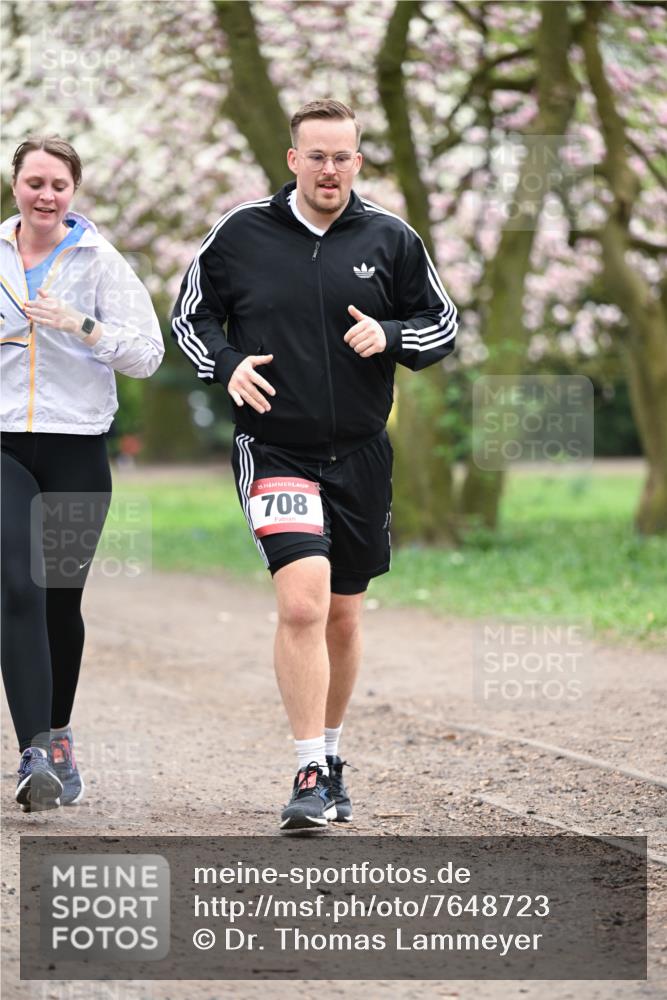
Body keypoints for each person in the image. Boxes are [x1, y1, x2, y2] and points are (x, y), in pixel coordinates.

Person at [172, 99, 457, 830]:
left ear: (358, 162)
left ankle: (330, 759)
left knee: (341, 614)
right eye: (316, 156)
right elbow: (190, 316)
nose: (329, 170)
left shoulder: (391, 238)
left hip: (361, 453)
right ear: (292, 160)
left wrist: (391, 335)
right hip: (275, 448)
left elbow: (442, 325)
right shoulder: (242, 233)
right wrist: (227, 363)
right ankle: (305, 769)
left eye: (343, 157)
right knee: (301, 601)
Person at [1, 136, 164, 812]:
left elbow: (148, 356)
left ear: (74, 192)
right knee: (18, 585)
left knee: (61, 600)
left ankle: (59, 737)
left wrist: (82, 325)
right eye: (34, 180)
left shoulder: (101, 262)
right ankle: (33, 751)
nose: (46, 194)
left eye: (58, 185)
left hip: (75, 447)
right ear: (15, 184)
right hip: (3, 442)